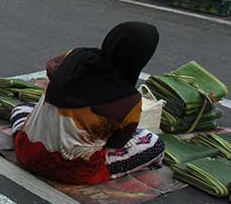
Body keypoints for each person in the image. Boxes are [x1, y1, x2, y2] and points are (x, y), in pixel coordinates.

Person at [11, 22, 165, 185]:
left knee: (23, 109)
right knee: (154, 143)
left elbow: (51, 66)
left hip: (28, 152)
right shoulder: (130, 100)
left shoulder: (76, 55)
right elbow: (116, 143)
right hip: (75, 171)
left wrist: (66, 87)